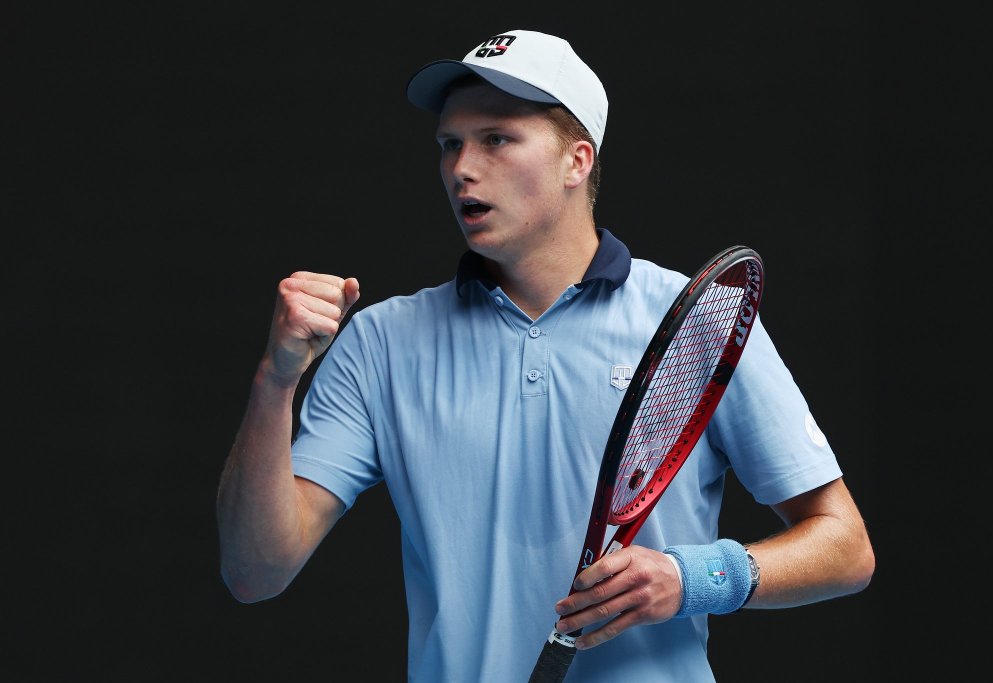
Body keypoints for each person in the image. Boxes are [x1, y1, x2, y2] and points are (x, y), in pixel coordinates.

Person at [216, 29, 875, 682]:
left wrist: (692, 577)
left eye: (496, 139)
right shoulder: (379, 343)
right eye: (450, 144)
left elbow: (845, 546)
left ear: (576, 161)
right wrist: (276, 379)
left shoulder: (696, 318)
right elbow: (254, 572)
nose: (461, 168)